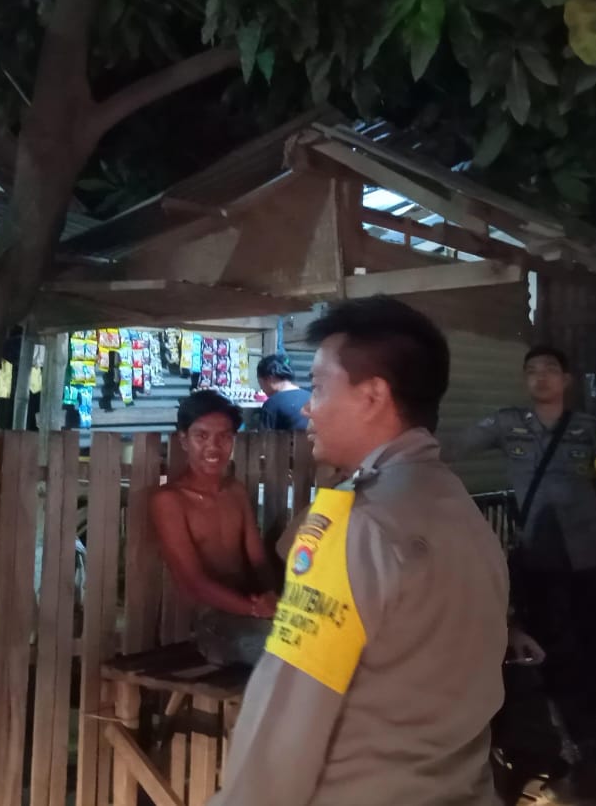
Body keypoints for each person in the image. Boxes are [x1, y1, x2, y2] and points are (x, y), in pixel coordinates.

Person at [212, 296, 509, 806]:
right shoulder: (460, 510)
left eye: (319, 386)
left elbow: (283, 729)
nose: (308, 406)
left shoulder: (354, 525)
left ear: (372, 396)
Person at [450, 344, 596, 783]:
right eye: (531, 370)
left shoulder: (593, 431)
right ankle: (561, 731)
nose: (540, 377)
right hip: (541, 555)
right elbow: (451, 447)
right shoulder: (507, 424)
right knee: (548, 643)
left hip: (593, 554)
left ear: (566, 380)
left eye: (550, 369)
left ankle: (592, 723)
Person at [149, 391, 278, 665]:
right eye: (202, 436)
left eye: (224, 436)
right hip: (211, 623)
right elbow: (194, 583)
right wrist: (255, 609)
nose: (213, 446)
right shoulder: (169, 500)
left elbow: (258, 561)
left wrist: (270, 596)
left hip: (255, 609)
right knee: (287, 655)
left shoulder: (235, 491)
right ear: (184, 440)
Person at [256, 354, 310, 431]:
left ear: (270, 378)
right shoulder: (310, 397)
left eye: (260, 382)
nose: (261, 388)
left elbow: (264, 437)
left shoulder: (272, 404)